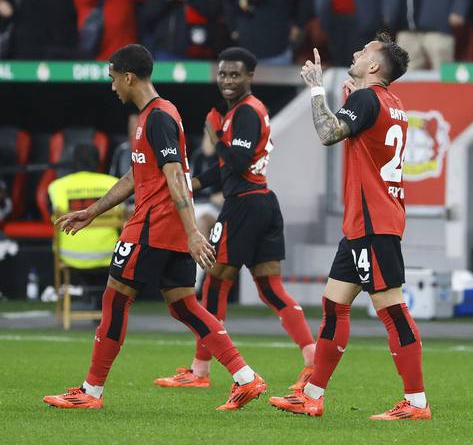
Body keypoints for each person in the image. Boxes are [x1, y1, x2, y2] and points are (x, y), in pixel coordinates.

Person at [43, 44, 266, 410]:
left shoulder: (158, 116)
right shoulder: (156, 115)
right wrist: (94, 211)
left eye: (114, 78)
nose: (113, 86)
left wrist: (194, 231)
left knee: (115, 299)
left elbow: (175, 173)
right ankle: (246, 377)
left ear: (128, 77)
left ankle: (91, 392)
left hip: (152, 227)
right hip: (167, 229)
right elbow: (136, 174)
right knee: (184, 306)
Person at [269, 33, 431, 421]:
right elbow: (364, 139)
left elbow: (329, 134)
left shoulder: (366, 99)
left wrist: (315, 90)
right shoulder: (391, 103)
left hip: (373, 222)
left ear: (374, 66)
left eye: (365, 52)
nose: (356, 52)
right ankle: (311, 394)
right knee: (333, 304)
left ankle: (416, 403)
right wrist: (348, 99)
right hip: (366, 222)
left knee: (391, 310)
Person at [154, 47, 316, 390]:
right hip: (262, 201)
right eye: (223, 74)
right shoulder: (247, 111)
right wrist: (191, 184)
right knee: (271, 289)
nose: (227, 80)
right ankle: (312, 358)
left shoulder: (244, 113)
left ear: (250, 76)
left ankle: (200, 370)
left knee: (214, 282)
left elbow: (237, 162)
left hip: (243, 206)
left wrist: (215, 135)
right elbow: (230, 168)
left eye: (235, 74)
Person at [48, 143, 122, 309]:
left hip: (70, 255)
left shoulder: (56, 186)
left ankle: (90, 294)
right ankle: (98, 297)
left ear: (73, 162)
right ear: (98, 161)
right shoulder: (114, 184)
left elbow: (51, 218)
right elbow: (124, 219)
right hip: (108, 255)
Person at [392, 0, 471, 70]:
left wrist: (459, 9)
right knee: (405, 78)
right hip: (406, 28)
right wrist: (389, 13)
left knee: (443, 74)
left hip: (439, 26)